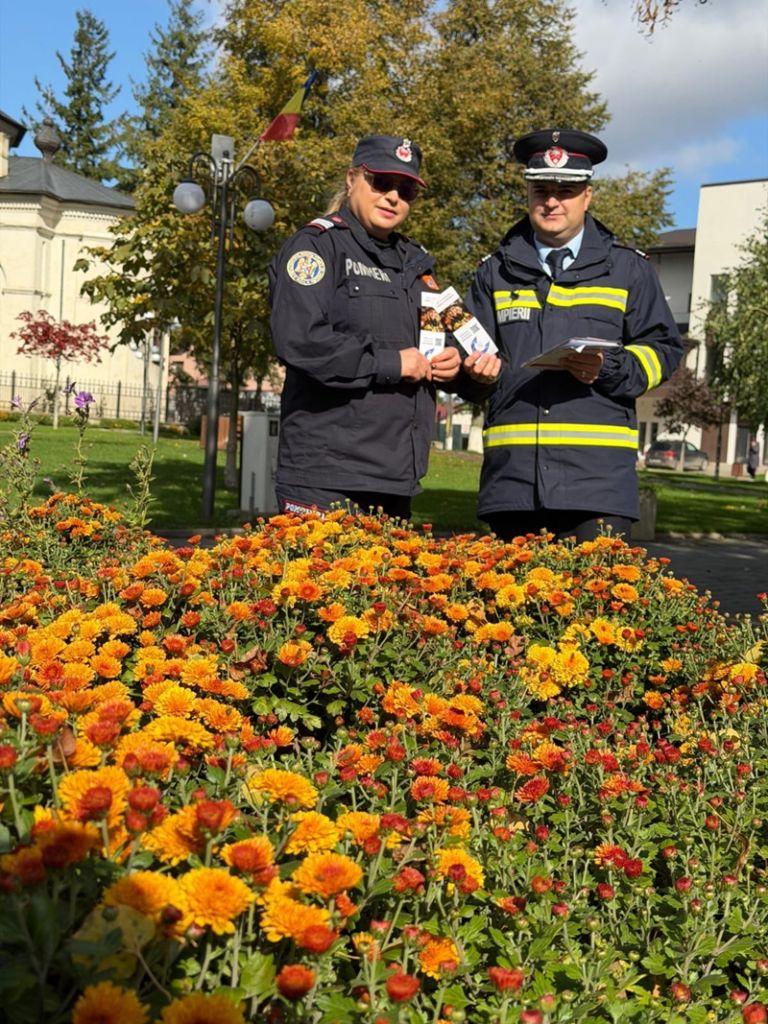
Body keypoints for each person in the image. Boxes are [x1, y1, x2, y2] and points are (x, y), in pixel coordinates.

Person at [462, 128, 684, 542]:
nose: (551, 202)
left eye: (565, 191)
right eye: (541, 190)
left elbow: (664, 351)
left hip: (598, 487)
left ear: (587, 196)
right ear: (528, 194)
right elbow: (468, 369)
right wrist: (473, 373)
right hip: (513, 485)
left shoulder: (629, 270)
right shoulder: (494, 272)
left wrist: (608, 367)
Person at [269, 134, 499, 519]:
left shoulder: (416, 266)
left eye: (406, 190)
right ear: (351, 179)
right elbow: (300, 341)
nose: (393, 197)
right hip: (325, 477)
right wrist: (393, 364)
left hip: (394, 479)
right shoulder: (317, 247)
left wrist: (463, 370)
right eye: (381, 182)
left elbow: (449, 347)